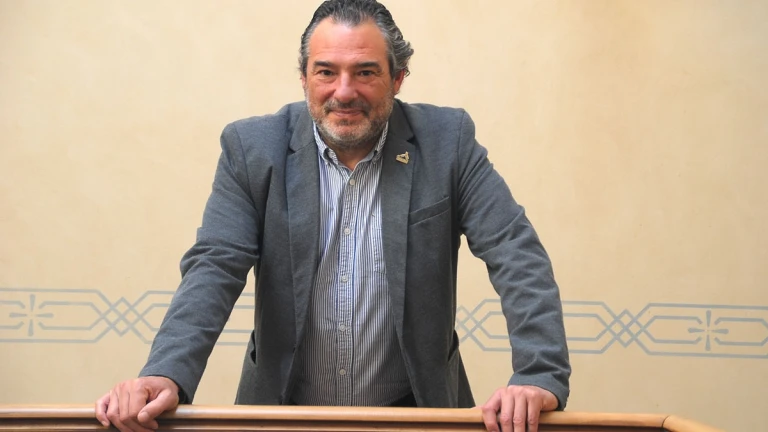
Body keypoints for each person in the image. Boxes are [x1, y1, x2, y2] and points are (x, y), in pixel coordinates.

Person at [95, 1, 571, 431]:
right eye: (326, 72)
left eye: (365, 72)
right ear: (304, 77)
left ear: (398, 78)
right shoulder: (252, 149)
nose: (344, 92)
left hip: (416, 415)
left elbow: (515, 252)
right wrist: (166, 372)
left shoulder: (448, 141)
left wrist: (538, 374)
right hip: (284, 415)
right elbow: (215, 266)